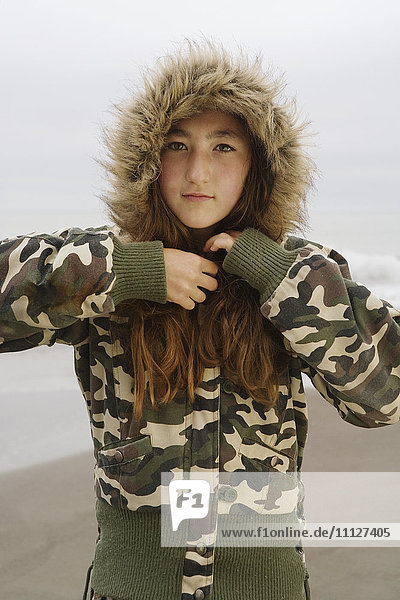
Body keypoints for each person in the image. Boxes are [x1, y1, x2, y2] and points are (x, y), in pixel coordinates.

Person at [1, 41, 400, 600]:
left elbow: (382, 399)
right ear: (149, 158)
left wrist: (271, 273)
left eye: (223, 147)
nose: (198, 171)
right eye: (177, 145)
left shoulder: (299, 272)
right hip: (133, 586)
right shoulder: (108, 269)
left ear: (257, 163)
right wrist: (135, 271)